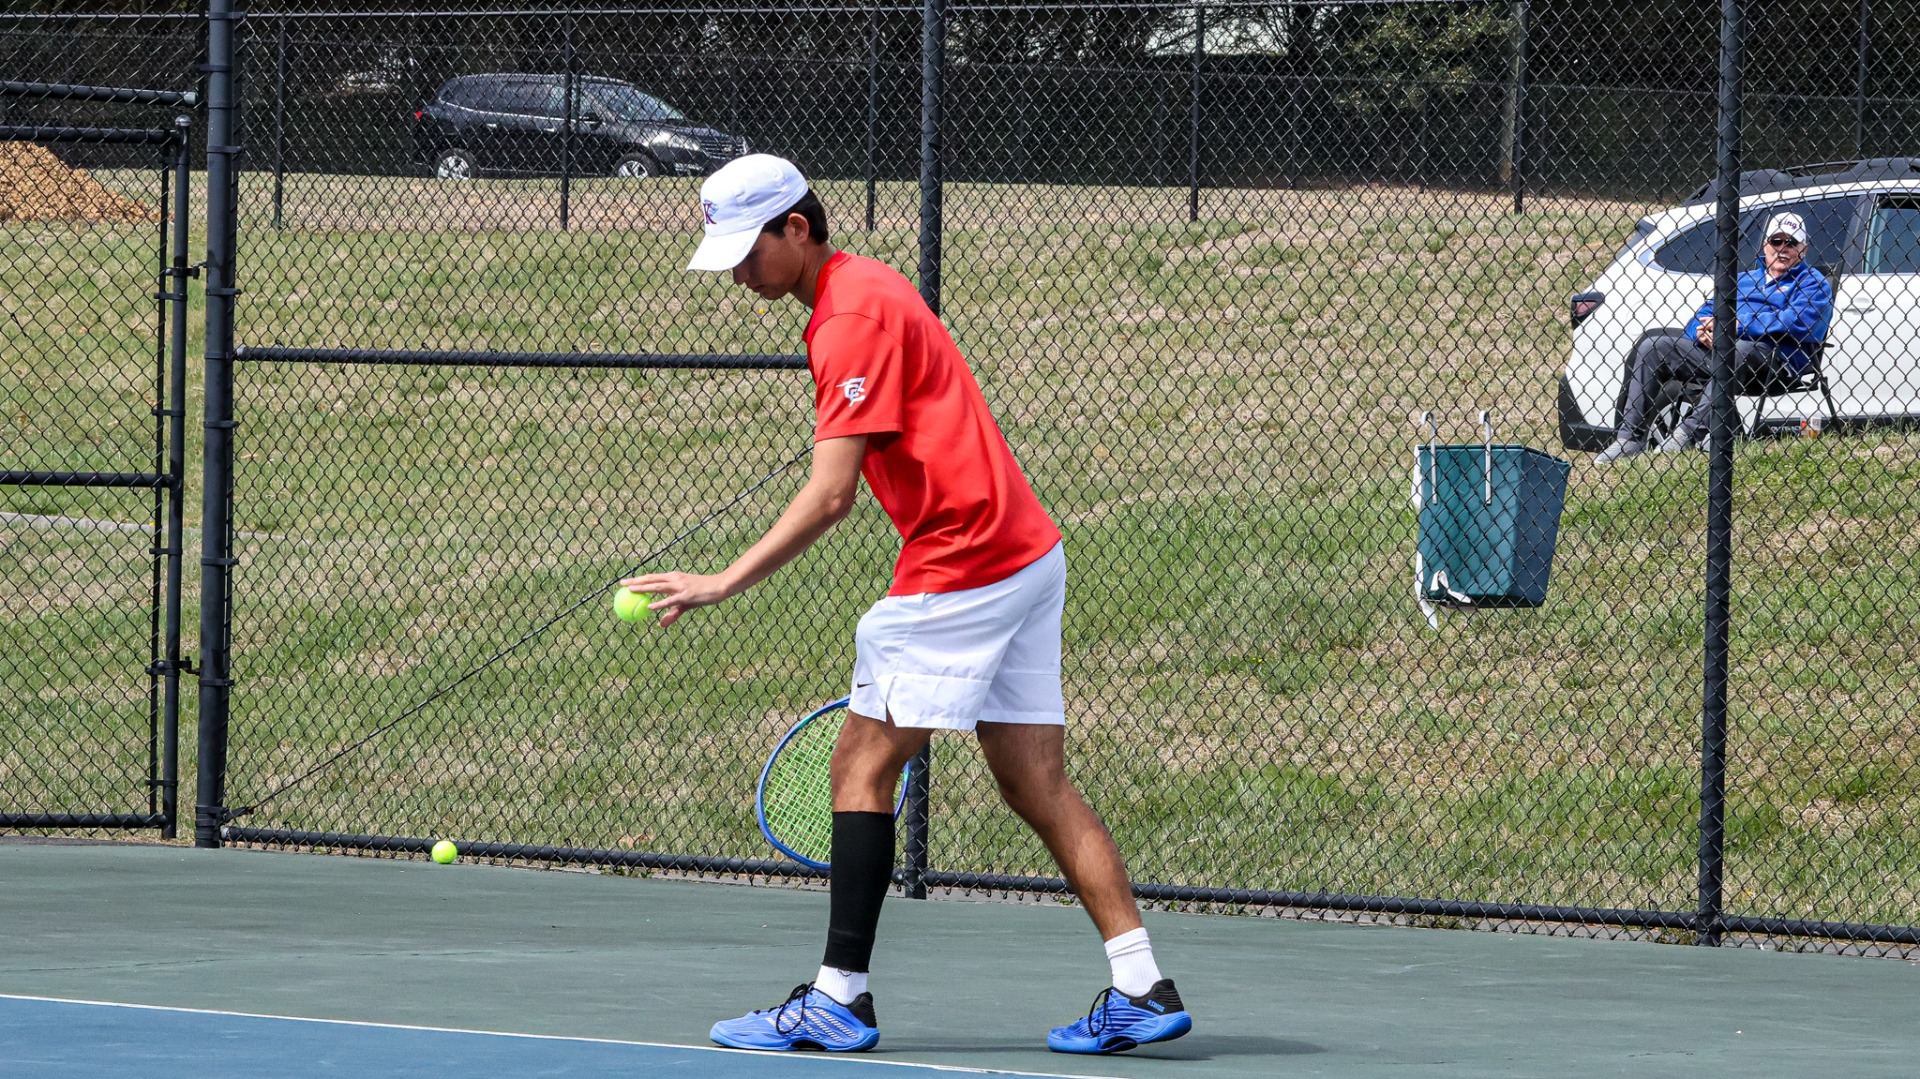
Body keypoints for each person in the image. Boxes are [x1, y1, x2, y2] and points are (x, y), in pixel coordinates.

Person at [620, 154, 1192, 1056]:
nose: (735, 273)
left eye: (746, 251)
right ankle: (1141, 983)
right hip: (1028, 551)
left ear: (796, 230)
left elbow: (831, 493)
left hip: (965, 558)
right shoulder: (869, 287)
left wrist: (722, 579)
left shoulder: (847, 319)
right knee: (1035, 782)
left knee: (859, 766)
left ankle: (838, 997)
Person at [1594, 210, 1834, 463]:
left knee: (1739, 348)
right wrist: (1702, 332)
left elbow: (1796, 322)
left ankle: (1686, 434)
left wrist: (1735, 326)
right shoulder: (1741, 280)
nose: (1782, 248)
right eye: (1776, 241)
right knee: (1655, 346)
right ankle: (1629, 439)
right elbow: (1705, 313)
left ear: (1803, 250)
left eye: (1791, 243)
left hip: (1775, 362)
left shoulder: (1813, 283)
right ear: (1765, 245)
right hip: (1724, 355)